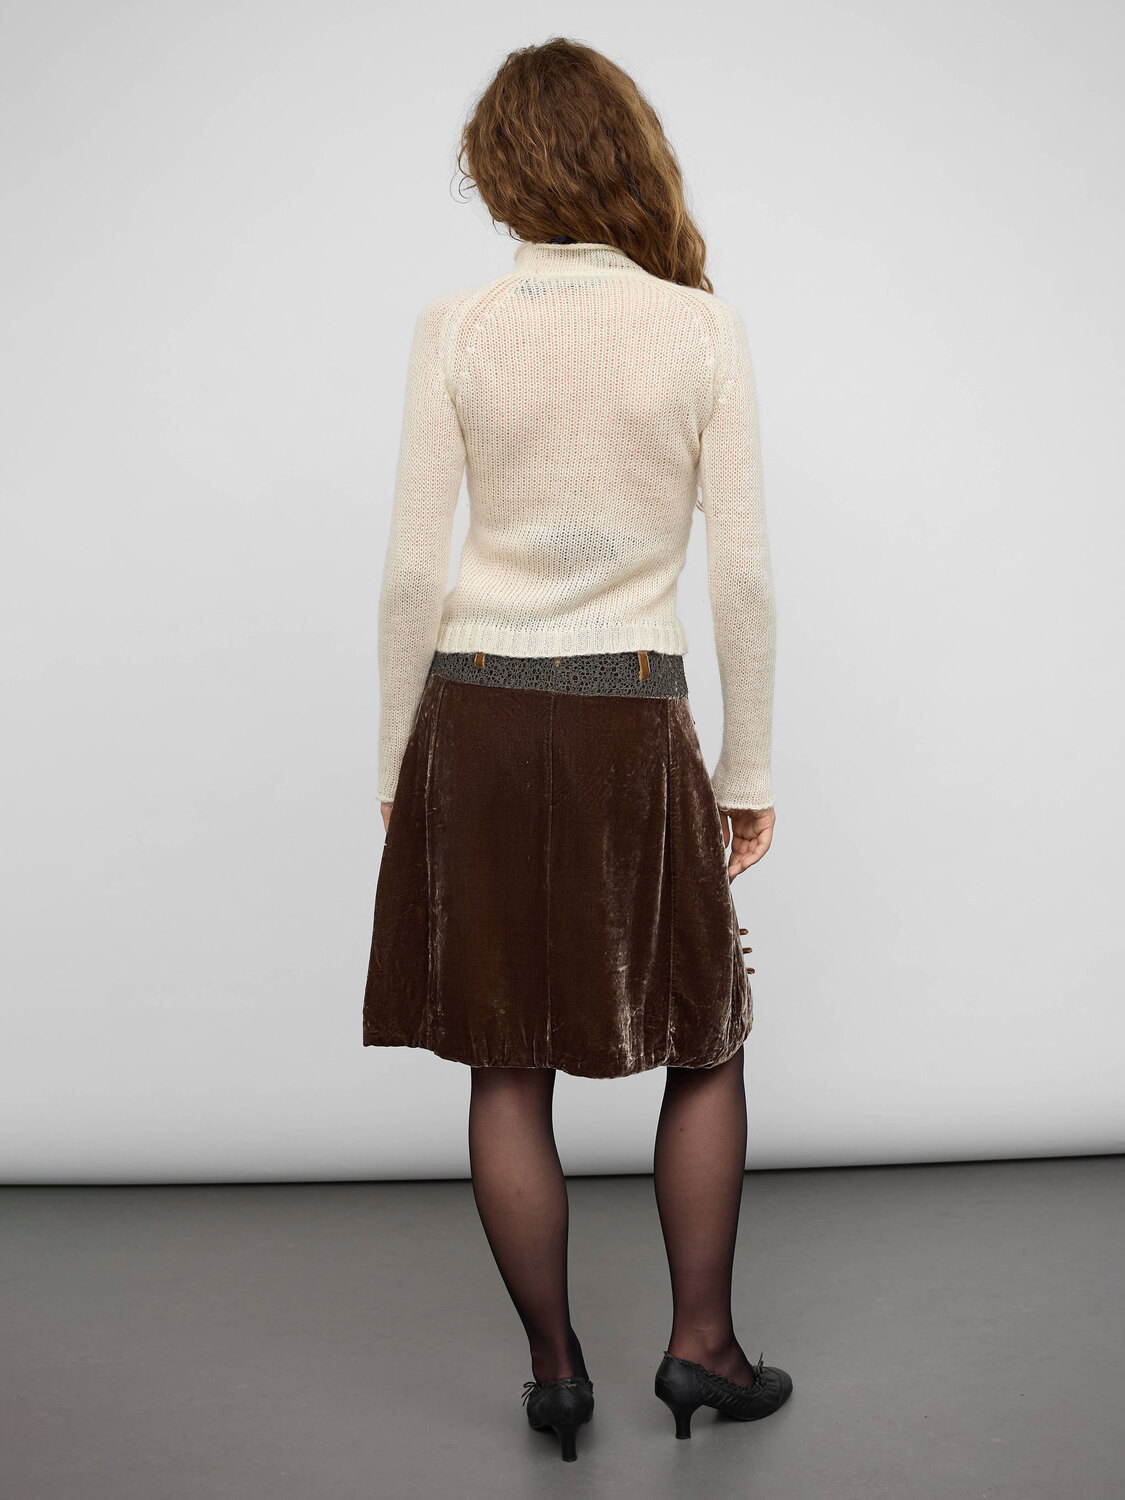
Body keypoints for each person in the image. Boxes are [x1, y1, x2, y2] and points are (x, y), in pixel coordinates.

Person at [362, 36, 792, 1462]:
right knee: (702, 1038)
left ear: (501, 172)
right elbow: (742, 576)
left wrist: (397, 767)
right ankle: (701, 1348)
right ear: (626, 155)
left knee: (505, 1057)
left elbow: (411, 574)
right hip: (628, 712)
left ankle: (555, 1376)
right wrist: (748, 773)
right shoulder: (698, 331)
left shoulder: (457, 327)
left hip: (476, 712)